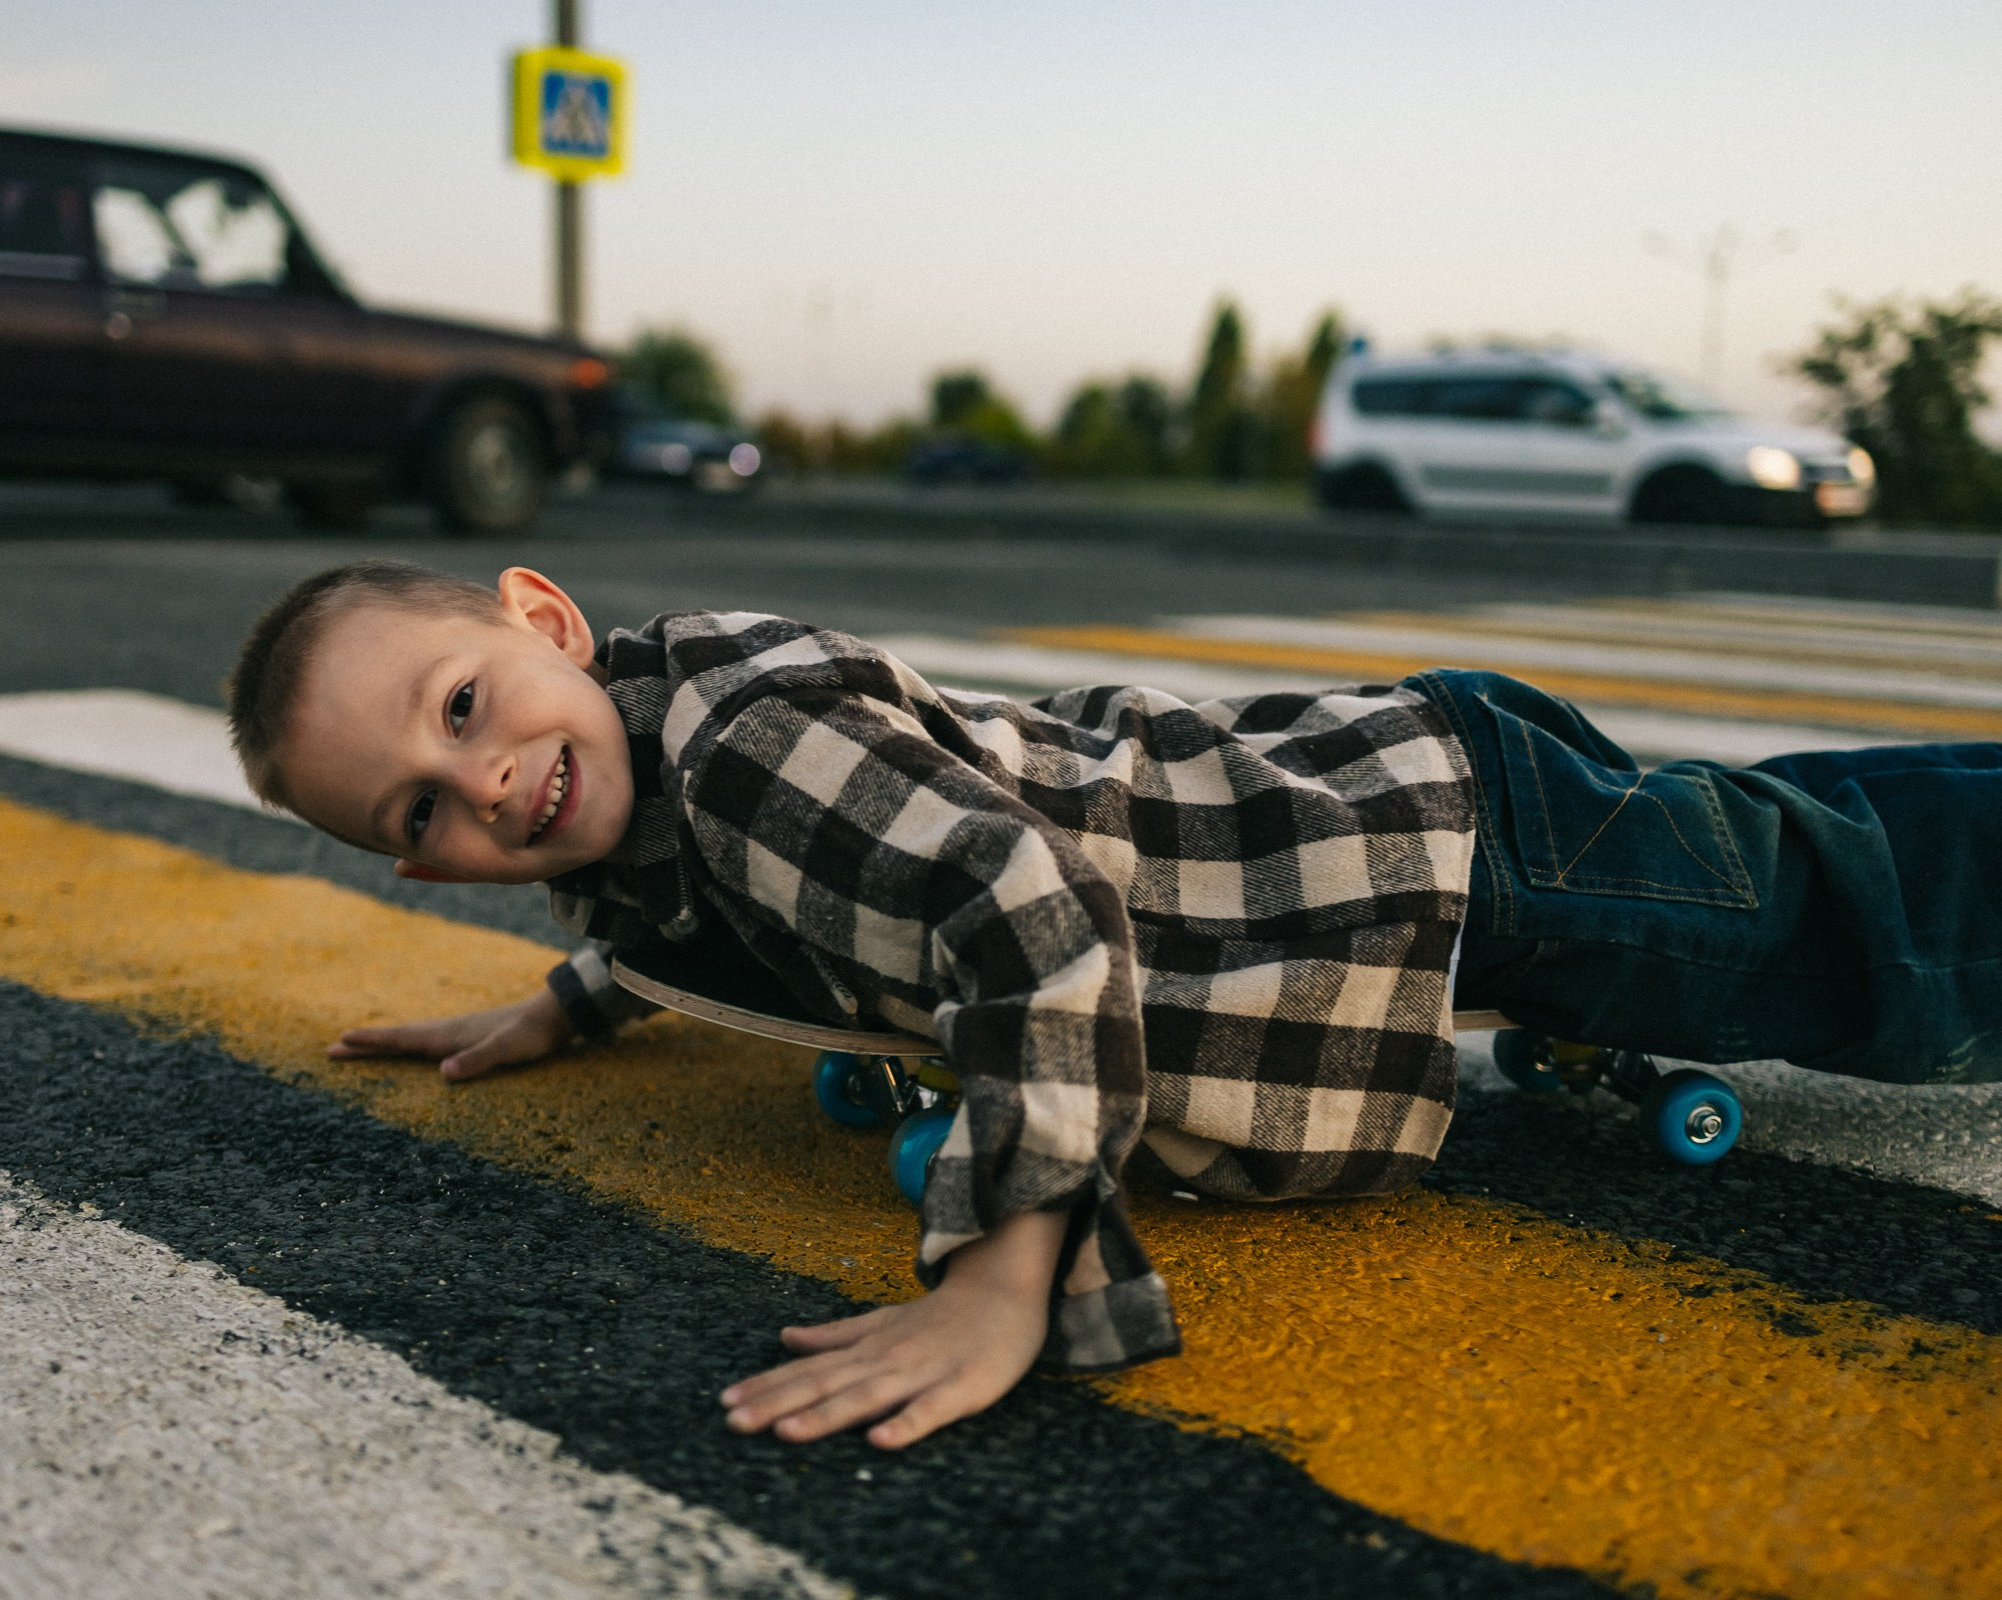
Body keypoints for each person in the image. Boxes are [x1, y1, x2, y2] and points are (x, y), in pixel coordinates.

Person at [224, 559, 2002, 1450]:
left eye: (463, 706)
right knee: (1799, 851)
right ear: (418, 869)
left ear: (541, 617)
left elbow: (1023, 914)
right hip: (1410, 821)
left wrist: (1010, 1268)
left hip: (1441, 860)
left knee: (1869, 952)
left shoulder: (746, 749)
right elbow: (702, 914)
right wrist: (573, 1004)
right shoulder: (638, 764)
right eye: (418, 811)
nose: (484, 786)